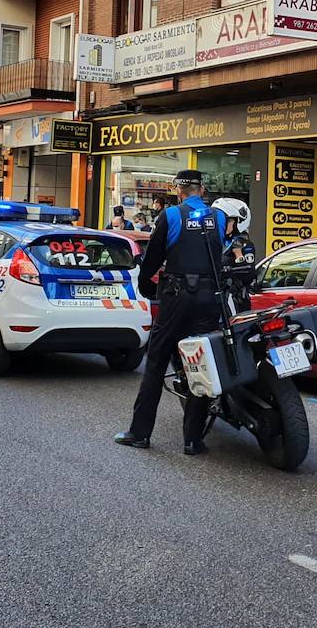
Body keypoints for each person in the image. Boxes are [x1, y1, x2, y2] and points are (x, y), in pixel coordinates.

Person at [114, 170, 226, 456]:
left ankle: (140, 433)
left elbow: (152, 258)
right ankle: (193, 440)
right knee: (199, 365)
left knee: (156, 362)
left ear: (179, 190)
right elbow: (219, 251)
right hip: (210, 298)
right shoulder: (220, 218)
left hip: (177, 299)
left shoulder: (172, 216)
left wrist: (144, 285)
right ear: (201, 190)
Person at [212, 197, 256, 305]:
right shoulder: (214, 240)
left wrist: (238, 254)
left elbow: (248, 276)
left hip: (233, 299)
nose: (221, 224)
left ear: (238, 221)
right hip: (211, 295)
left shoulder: (244, 245)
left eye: (227, 221)